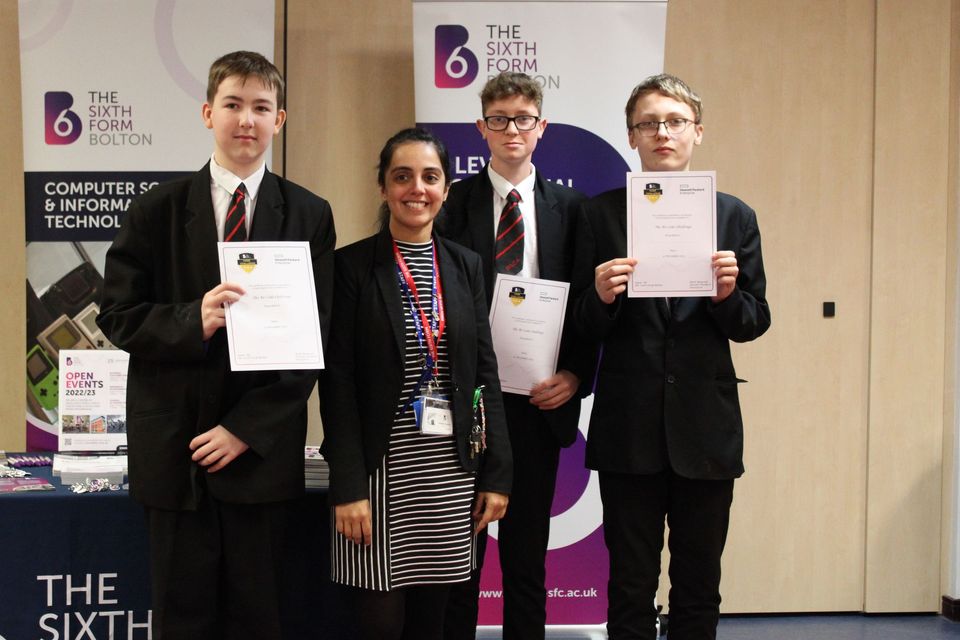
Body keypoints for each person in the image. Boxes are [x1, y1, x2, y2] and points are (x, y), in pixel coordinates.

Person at [96, 50, 336, 640]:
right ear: (208, 112)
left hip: (258, 455)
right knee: (182, 620)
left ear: (280, 119)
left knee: (259, 618)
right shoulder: (156, 210)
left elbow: (314, 338)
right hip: (175, 451)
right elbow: (117, 314)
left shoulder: (309, 213)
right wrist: (190, 320)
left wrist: (245, 430)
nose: (246, 120)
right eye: (233, 105)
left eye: (261, 107)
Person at [571, 74, 771, 639]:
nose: (663, 132)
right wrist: (602, 297)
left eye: (675, 121)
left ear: (698, 132)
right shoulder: (599, 215)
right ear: (631, 135)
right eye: (649, 122)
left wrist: (729, 299)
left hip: (705, 430)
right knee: (629, 586)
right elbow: (580, 322)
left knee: (699, 583)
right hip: (627, 425)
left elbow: (755, 321)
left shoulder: (735, 216)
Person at [320, 127, 512, 640]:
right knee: (379, 627)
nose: (416, 189)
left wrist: (496, 473)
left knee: (434, 625)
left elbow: (482, 378)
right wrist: (347, 487)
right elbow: (336, 383)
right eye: (401, 176)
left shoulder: (466, 266)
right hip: (379, 482)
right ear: (382, 187)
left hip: (450, 476)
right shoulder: (352, 267)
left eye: (430, 177)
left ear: (446, 189)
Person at [437, 72, 588, 640]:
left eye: (523, 118)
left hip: (538, 402)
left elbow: (587, 314)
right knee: (461, 561)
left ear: (541, 126)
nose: (511, 129)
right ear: (482, 128)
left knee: (527, 558)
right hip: (468, 402)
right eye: (498, 119)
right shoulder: (451, 206)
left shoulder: (573, 211)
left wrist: (575, 375)